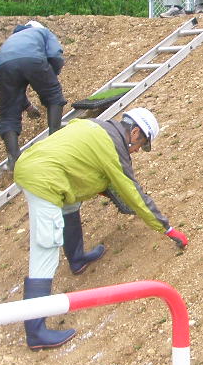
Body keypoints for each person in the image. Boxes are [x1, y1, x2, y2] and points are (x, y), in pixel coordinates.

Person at [11, 107, 189, 349]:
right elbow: (134, 193)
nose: (137, 151)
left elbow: (80, 164)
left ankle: (77, 258)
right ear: (134, 132)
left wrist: (102, 185)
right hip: (44, 180)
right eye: (141, 144)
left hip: (36, 166)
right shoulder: (114, 147)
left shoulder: (95, 126)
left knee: (71, 204)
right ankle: (36, 332)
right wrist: (167, 229)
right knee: (45, 252)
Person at [0, 21, 66, 170]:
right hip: (33, 59)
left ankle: (14, 158)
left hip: (3, 64)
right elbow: (55, 54)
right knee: (54, 95)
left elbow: (15, 89)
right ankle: (55, 139)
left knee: (8, 113)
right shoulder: (43, 32)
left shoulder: (13, 39)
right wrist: (51, 75)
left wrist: (27, 106)